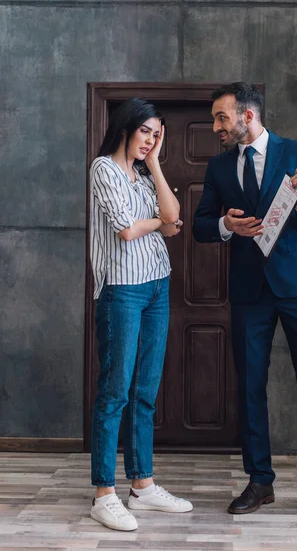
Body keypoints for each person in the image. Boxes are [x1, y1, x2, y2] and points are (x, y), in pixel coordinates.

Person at [193, 82, 297, 524]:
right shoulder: (220, 167)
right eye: (214, 119)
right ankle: (260, 481)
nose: (215, 127)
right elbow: (202, 224)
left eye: (222, 118)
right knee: (250, 387)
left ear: (248, 116)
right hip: (248, 291)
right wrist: (224, 224)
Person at [89, 97, 193, 531]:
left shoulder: (146, 174)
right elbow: (128, 230)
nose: (150, 139)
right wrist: (156, 221)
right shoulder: (104, 169)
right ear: (126, 128)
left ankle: (143, 486)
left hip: (156, 286)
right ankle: (103, 494)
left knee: (146, 390)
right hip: (121, 290)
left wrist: (157, 167)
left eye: (157, 133)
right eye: (145, 131)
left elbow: (174, 217)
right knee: (116, 392)